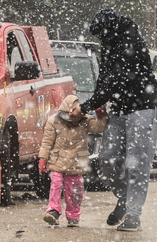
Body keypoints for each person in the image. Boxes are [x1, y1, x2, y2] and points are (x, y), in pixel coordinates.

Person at [71, 8, 157, 231]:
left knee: (137, 163)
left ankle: (133, 214)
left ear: (110, 28)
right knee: (107, 160)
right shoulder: (110, 44)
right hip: (119, 109)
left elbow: (116, 79)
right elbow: (105, 78)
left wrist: (85, 107)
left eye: (102, 34)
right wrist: (98, 101)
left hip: (143, 107)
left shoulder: (130, 40)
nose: (101, 39)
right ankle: (124, 198)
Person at [39, 95, 107, 227]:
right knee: (56, 185)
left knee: (75, 190)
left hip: (76, 161)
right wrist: (43, 159)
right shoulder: (53, 121)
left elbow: (98, 128)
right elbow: (47, 142)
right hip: (58, 160)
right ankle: (53, 211)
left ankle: (73, 216)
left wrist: (101, 116)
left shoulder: (86, 121)